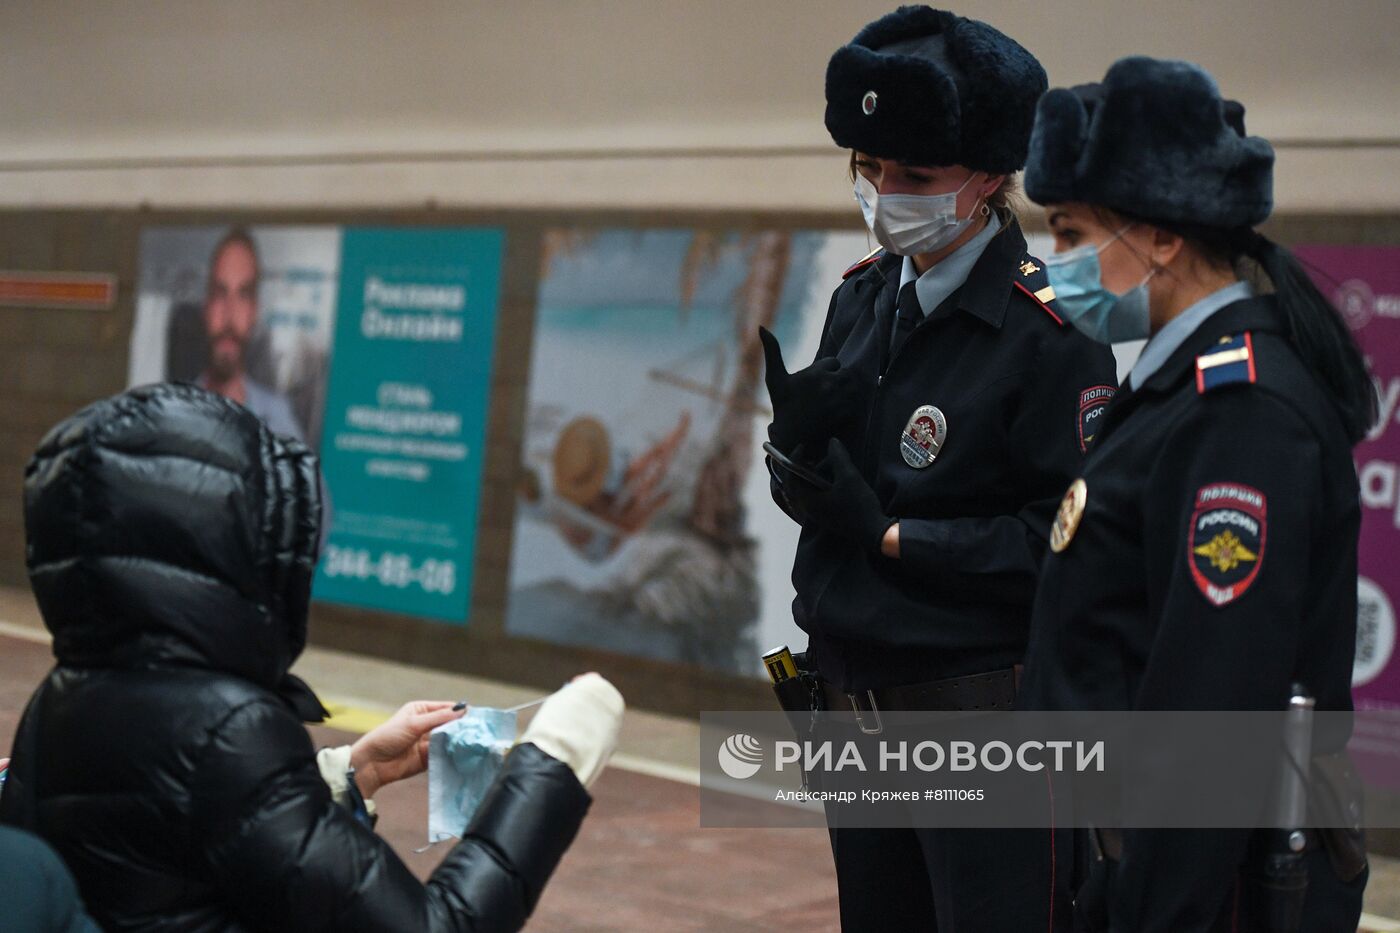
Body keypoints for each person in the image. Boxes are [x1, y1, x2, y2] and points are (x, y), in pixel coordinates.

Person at [0, 383, 625, 932]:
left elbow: (186, 854)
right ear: (227, 543)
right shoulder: (226, 729)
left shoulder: (58, 701)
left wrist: (351, 775)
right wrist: (554, 763)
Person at [760, 7, 1118, 930]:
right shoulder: (863, 298)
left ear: (991, 178)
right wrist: (794, 461)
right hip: (851, 708)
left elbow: (1064, 551)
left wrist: (890, 532)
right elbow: (825, 500)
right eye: (870, 170)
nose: (885, 192)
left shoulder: (1056, 337)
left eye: (914, 175)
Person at [1017, 56, 1374, 931]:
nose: (1051, 262)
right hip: (1131, 853)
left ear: (1162, 238)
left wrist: (1151, 909)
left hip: (1208, 886)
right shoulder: (1181, 389)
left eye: (1069, 234)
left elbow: (1210, 712)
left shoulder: (1240, 412)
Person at [198, 226, 305, 441]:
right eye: (220, 293)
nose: (230, 315)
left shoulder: (280, 423)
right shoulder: (168, 416)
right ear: (207, 306)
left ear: (254, 312)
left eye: (243, 295)